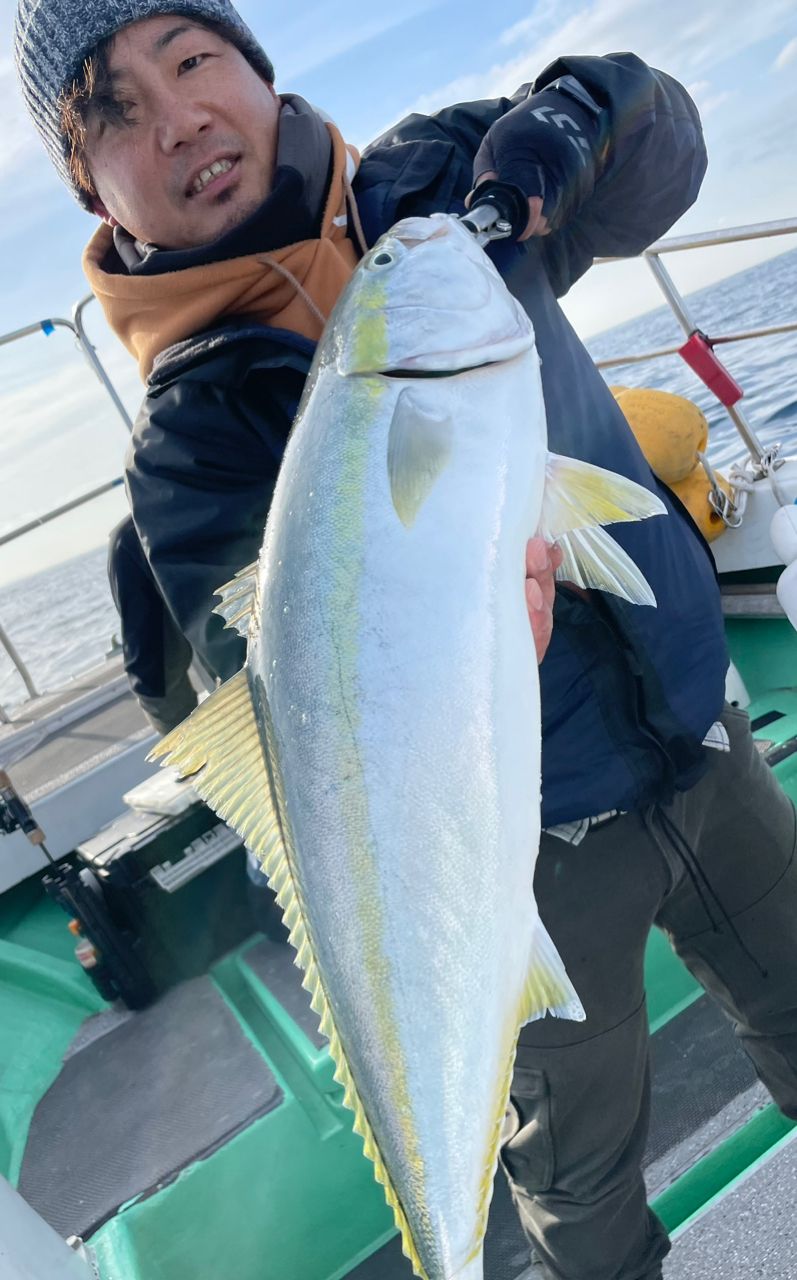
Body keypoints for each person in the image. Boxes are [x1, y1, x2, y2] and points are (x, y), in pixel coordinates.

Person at [14, 3, 797, 1277]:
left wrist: (578, 109)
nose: (179, 121)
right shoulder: (189, 448)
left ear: (255, 73)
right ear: (89, 187)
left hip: (698, 734)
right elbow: (272, 706)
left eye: (193, 61)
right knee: (579, 1186)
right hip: (509, 863)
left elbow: (660, 151)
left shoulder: (434, 185)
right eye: (113, 117)